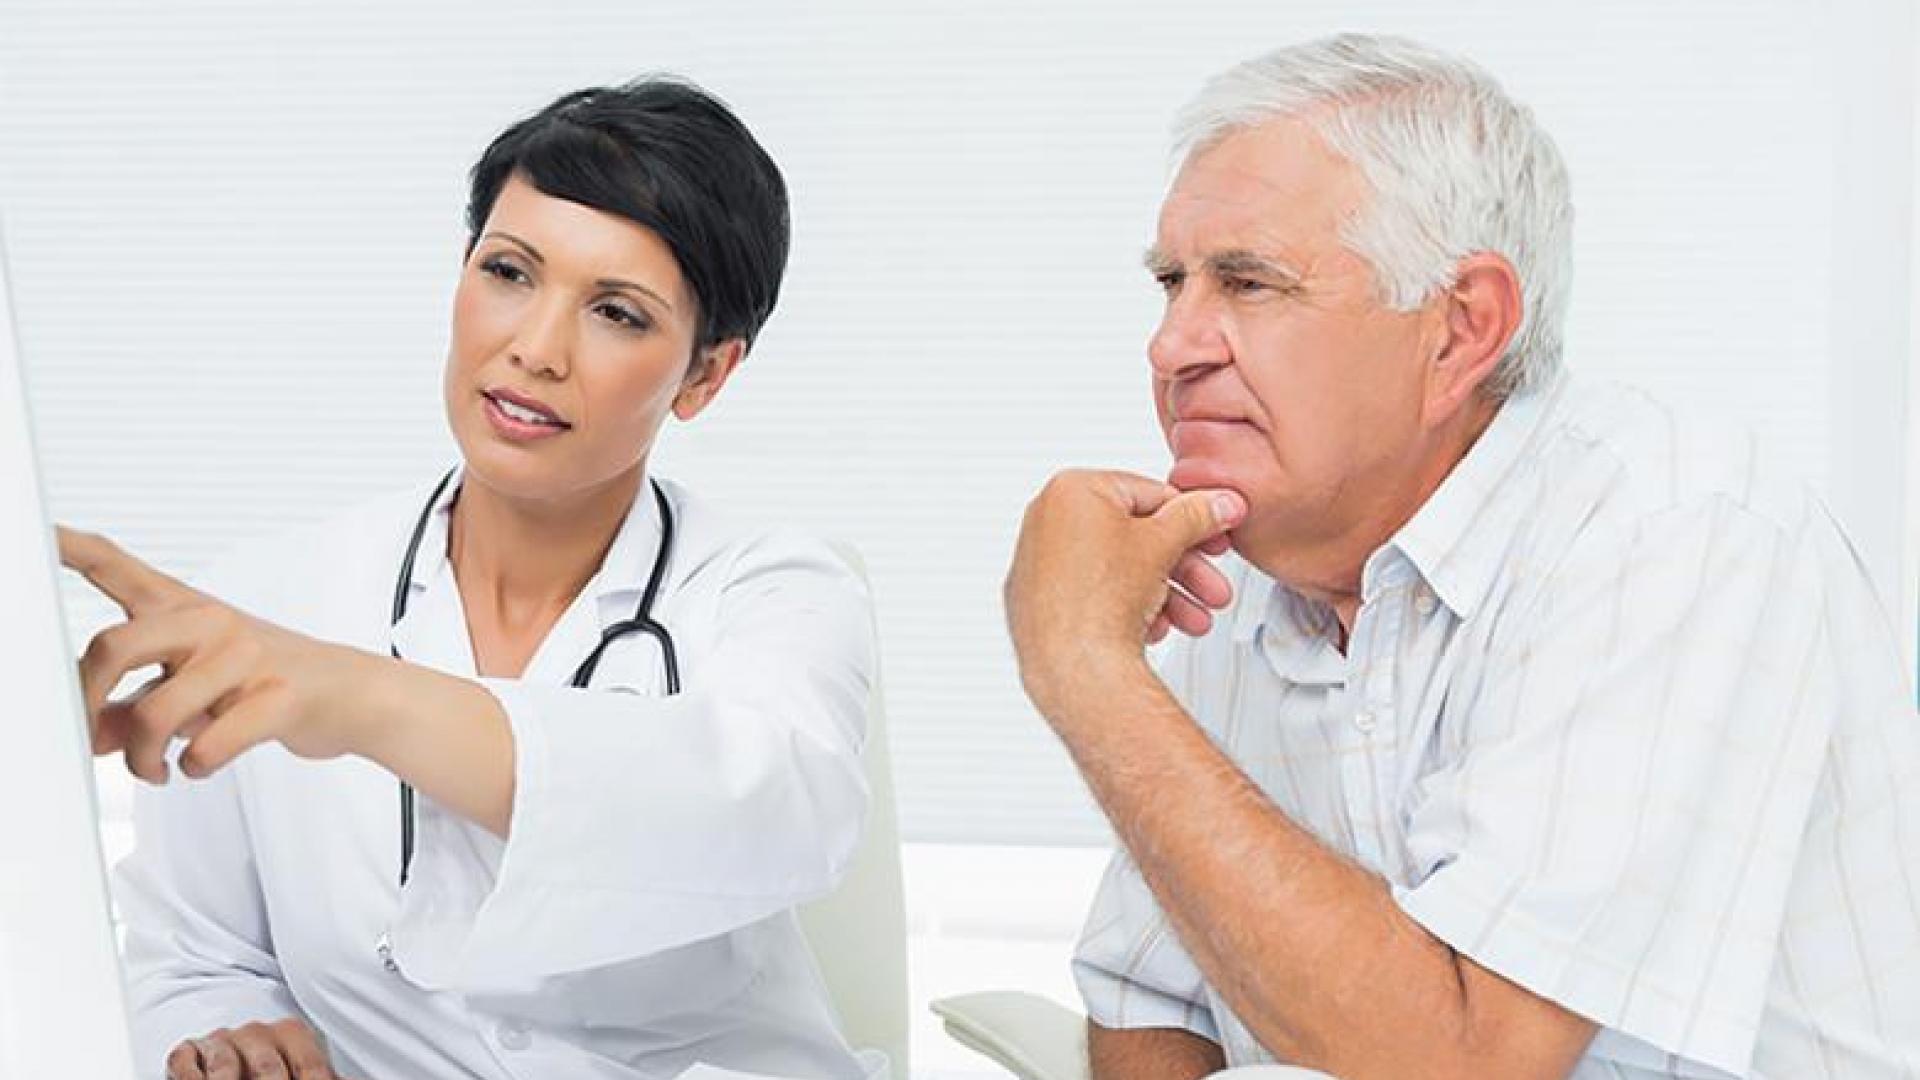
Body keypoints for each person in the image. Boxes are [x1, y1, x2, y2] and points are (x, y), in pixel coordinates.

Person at [1003, 33, 1920, 1080]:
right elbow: (1148, 1002)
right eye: (1172, 282)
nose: (1174, 344)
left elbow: (1468, 1060)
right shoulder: (1257, 565)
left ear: (1462, 330)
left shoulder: (1673, 526)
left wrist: (1086, 670)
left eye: (1248, 283)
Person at [59, 78, 879, 1080]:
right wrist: (232, 1033)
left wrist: (355, 696)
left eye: (617, 313)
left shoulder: (774, 590)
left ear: (706, 375)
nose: (533, 348)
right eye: (509, 272)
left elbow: (770, 807)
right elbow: (194, 953)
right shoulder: (269, 598)